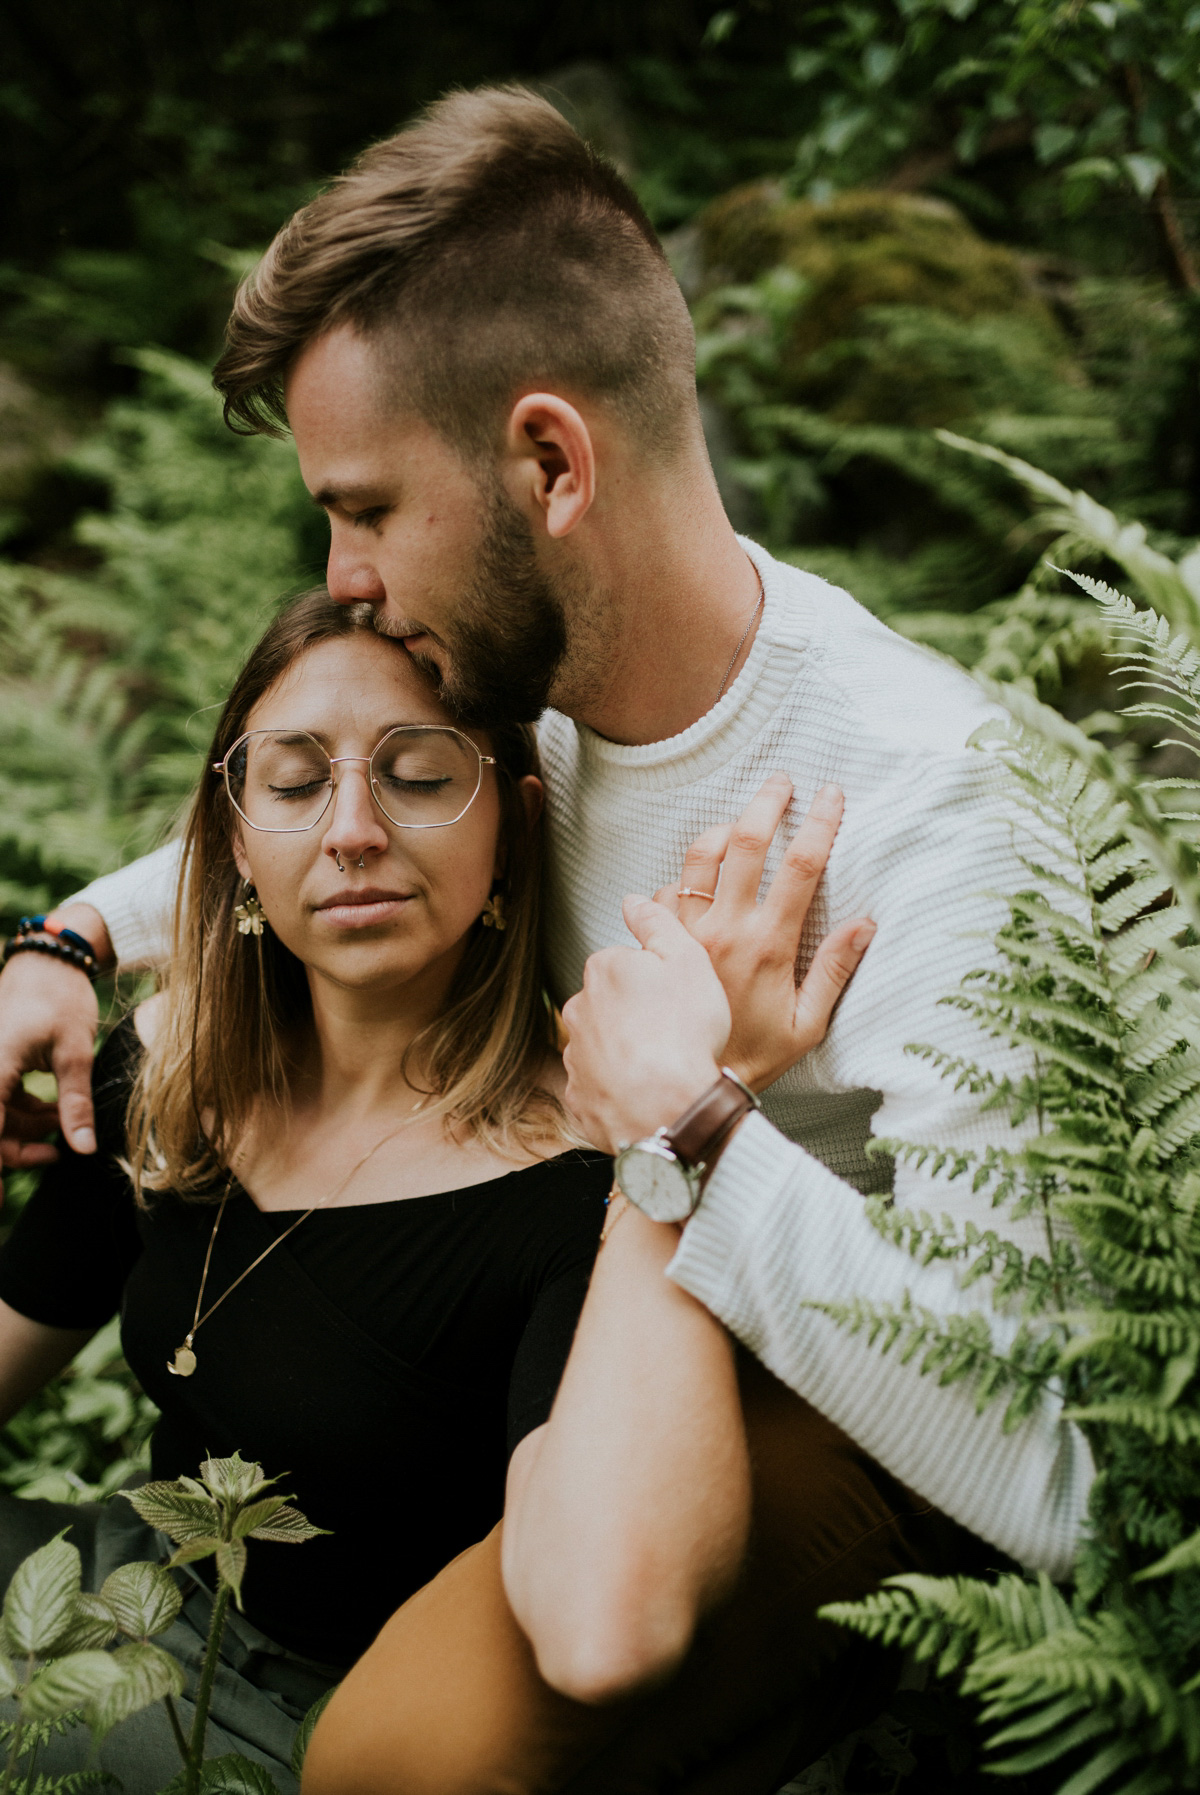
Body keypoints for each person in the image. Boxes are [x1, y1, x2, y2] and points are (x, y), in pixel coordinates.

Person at [0, 85, 1095, 1792]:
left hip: (847, 1407)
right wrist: (64, 944)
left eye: (365, 506)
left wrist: (697, 1127)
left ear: (548, 462)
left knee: (399, 1762)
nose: (342, 574)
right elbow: (286, 834)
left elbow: (1049, 1461)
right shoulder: (536, 717)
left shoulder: (935, 820)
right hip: (578, 1316)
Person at [0, 589, 619, 1791]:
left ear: (514, 823)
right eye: (293, 783)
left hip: (339, 1733)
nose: (351, 830)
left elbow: (585, 1616)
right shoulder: (165, 1073)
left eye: (422, 774)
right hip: (117, 1598)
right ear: (237, 839)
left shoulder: (582, 1186)